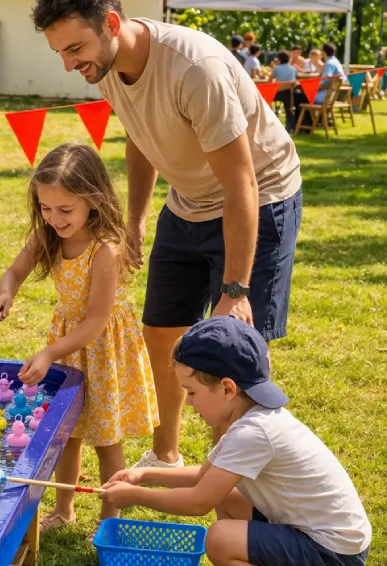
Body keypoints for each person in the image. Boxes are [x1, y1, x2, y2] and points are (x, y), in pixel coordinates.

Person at [32, 0, 302, 472]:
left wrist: (235, 290)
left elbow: (242, 181)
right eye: (59, 52)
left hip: (258, 199)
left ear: (112, 24)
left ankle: (235, 475)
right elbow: (140, 136)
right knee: (160, 333)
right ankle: (166, 456)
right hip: (186, 202)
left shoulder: (196, 70)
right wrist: (136, 218)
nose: (69, 63)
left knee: (231, 348)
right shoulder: (109, 68)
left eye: (75, 47)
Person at [101, 317, 371, 566]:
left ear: (228, 388)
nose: (188, 403)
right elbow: (206, 479)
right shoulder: (251, 416)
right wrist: (145, 474)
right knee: (227, 497)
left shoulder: (252, 433)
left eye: (192, 392)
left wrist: (136, 495)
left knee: (219, 540)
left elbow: (198, 501)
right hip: (326, 539)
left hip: (333, 553)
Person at [0, 144, 158, 533]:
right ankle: (63, 509)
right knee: (66, 433)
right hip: (69, 343)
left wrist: (50, 352)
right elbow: (13, 272)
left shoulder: (105, 250)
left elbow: (97, 322)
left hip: (103, 348)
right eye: (46, 209)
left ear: (95, 200)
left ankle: (110, 520)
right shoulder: (47, 235)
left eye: (65, 210)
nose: (54, 219)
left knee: (105, 438)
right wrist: (6, 291)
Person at [270, 50, 302, 133]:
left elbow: (269, 82)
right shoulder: (293, 68)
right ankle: (289, 126)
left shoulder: (276, 68)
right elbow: (297, 80)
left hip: (276, 93)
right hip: (289, 93)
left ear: (279, 59)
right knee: (289, 109)